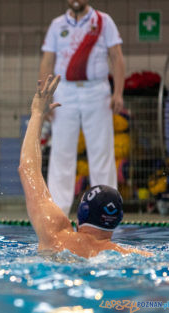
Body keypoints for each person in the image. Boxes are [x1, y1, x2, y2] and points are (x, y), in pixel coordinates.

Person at [19, 75, 151, 258]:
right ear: (118, 220)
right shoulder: (130, 254)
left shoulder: (54, 235)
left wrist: (37, 114)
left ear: (81, 214)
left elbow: (28, 169)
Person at [39, 0, 125, 215]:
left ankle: (106, 209)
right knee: (61, 151)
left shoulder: (104, 21)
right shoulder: (57, 24)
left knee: (102, 151)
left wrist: (118, 93)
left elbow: (117, 57)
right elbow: (47, 61)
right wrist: (45, 99)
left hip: (97, 91)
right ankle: (58, 212)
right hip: (64, 91)